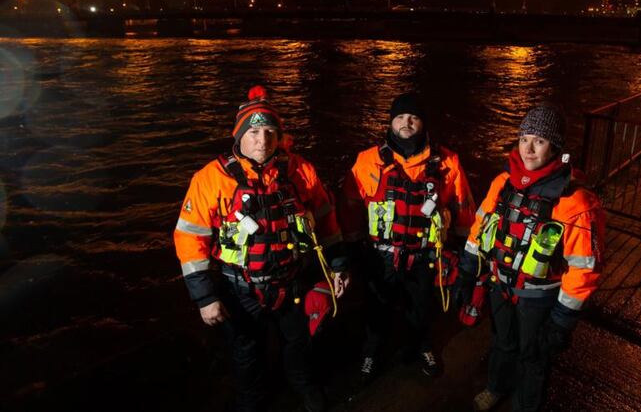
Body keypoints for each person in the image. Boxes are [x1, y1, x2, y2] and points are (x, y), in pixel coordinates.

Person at [173, 86, 349, 412]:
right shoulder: (210, 178)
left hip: (291, 280)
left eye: (269, 131)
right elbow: (189, 237)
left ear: (280, 136)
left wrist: (337, 264)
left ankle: (303, 385)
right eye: (253, 131)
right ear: (239, 135)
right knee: (246, 353)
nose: (262, 140)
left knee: (298, 343)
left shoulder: (300, 171)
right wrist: (205, 297)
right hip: (240, 290)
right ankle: (250, 404)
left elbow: (326, 219)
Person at [456, 104, 605, 412]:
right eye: (525, 138)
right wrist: (467, 270)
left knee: (534, 357)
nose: (529, 148)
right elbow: (478, 228)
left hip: (538, 298)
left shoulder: (576, 202)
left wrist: (561, 321)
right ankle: (496, 387)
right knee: (501, 343)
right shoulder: (502, 183)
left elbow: (583, 271)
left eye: (540, 140)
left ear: (556, 147)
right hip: (500, 284)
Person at [338, 92, 476, 382]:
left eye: (413, 116)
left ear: (423, 123)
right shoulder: (367, 160)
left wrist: (467, 252)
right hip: (380, 255)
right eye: (400, 116)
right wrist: (350, 250)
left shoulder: (448, 162)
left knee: (422, 307)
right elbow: (350, 205)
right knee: (376, 308)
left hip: (424, 255)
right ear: (391, 122)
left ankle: (423, 347)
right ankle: (371, 353)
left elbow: (463, 206)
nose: (406, 122)